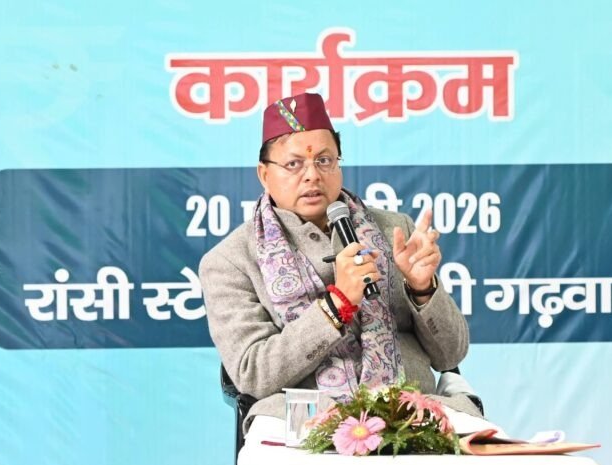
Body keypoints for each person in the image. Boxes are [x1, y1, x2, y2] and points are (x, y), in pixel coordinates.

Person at [199, 92, 481, 438]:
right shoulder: (230, 261)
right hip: (305, 425)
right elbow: (253, 374)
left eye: (324, 160)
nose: (312, 176)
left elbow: (450, 355)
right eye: (293, 164)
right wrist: (336, 306)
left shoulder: (396, 231)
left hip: (411, 416)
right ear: (264, 174)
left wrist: (423, 291)